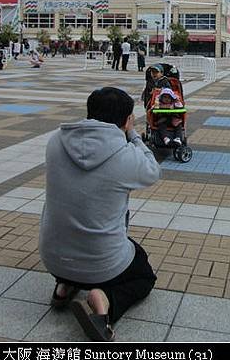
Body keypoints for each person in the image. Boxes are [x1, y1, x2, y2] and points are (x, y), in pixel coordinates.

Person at [39, 87, 160, 342]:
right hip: (101, 264)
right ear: (126, 120)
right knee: (143, 274)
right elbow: (152, 170)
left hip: (53, 257)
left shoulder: (55, 142)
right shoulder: (126, 156)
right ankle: (103, 300)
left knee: (74, 229)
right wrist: (133, 135)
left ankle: (65, 286)